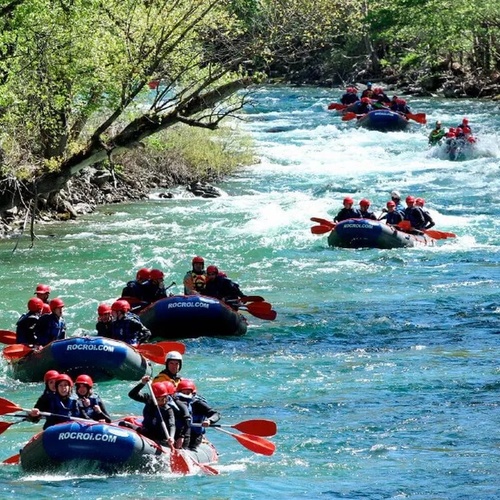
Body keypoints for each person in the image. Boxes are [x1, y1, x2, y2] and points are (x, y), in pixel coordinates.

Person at [128, 376, 190, 449]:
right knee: (123, 424)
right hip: (146, 431)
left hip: (160, 437)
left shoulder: (168, 409)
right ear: (153, 397)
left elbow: (172, 424)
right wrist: (142, 383)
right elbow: (132, 394)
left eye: (164, 399)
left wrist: (171, 437)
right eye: (159, 399)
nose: (162, 402)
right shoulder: (149, 399)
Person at [175, 379, 221, 451]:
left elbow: (216, 414)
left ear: (192, 393)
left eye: (188, 393)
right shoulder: (175, 403)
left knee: (191, 443)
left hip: (194, 435)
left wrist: (209, 421)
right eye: (183, 392)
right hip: (179, 433)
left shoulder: (198, 404)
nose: (185, 395)